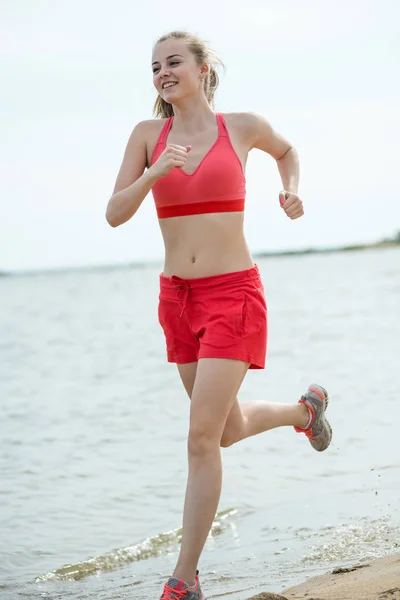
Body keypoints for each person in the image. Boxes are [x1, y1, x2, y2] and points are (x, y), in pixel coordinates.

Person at [105, 30, 332, 600]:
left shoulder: (243, 127)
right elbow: (113, 214)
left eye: (173, 61)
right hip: (176, 300)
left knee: (200, 438)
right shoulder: (146, 136)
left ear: (203, 69)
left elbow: (288, 152)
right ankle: (305, 413)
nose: (162, 72)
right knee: (225, 431)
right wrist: (153, 174)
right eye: (154, 66)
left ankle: (184, 578)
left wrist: (292, 191)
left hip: (233, 294)